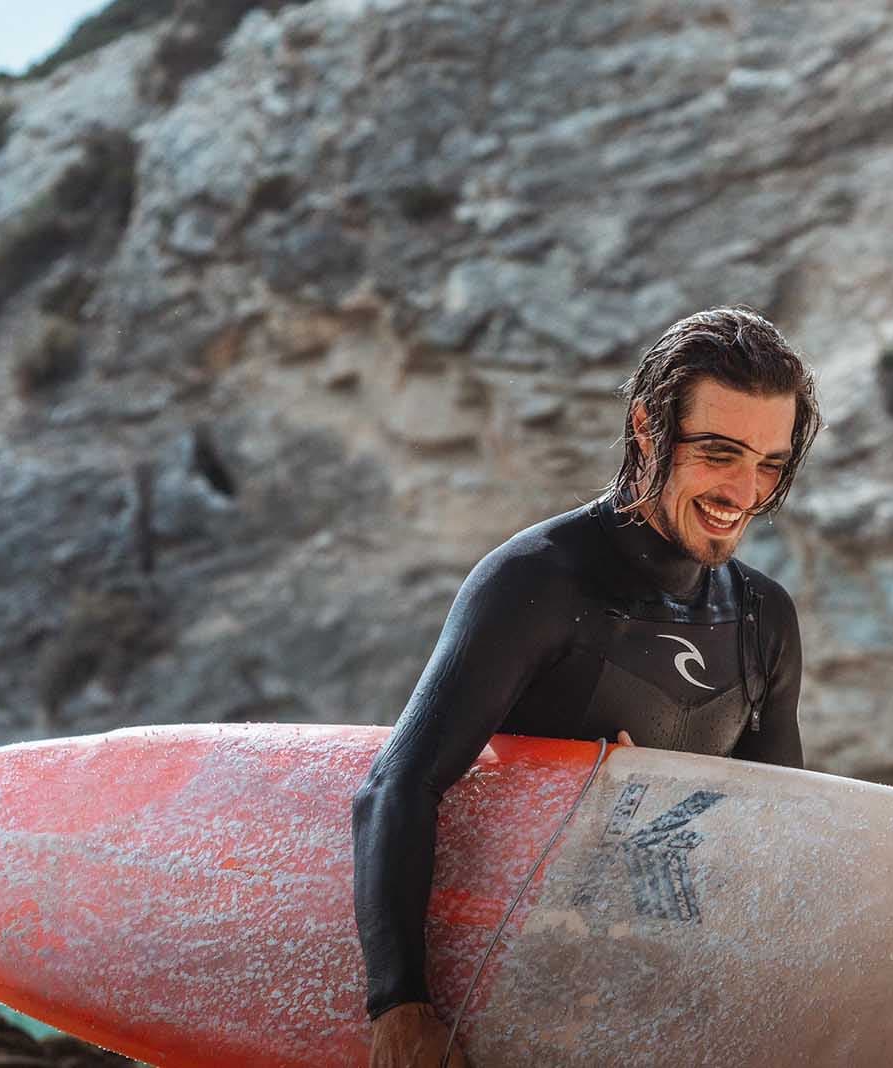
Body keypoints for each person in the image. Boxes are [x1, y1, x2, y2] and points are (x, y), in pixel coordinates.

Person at [351, 306, 822, 1067]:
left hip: (662, 1001)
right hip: (509, 985)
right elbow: (397, 786)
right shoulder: (538, 582)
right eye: (719, 452)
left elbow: (776, 838)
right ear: (647, 426)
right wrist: (400, 1007)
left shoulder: (763, 617)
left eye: (768, 463)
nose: (745, 489)